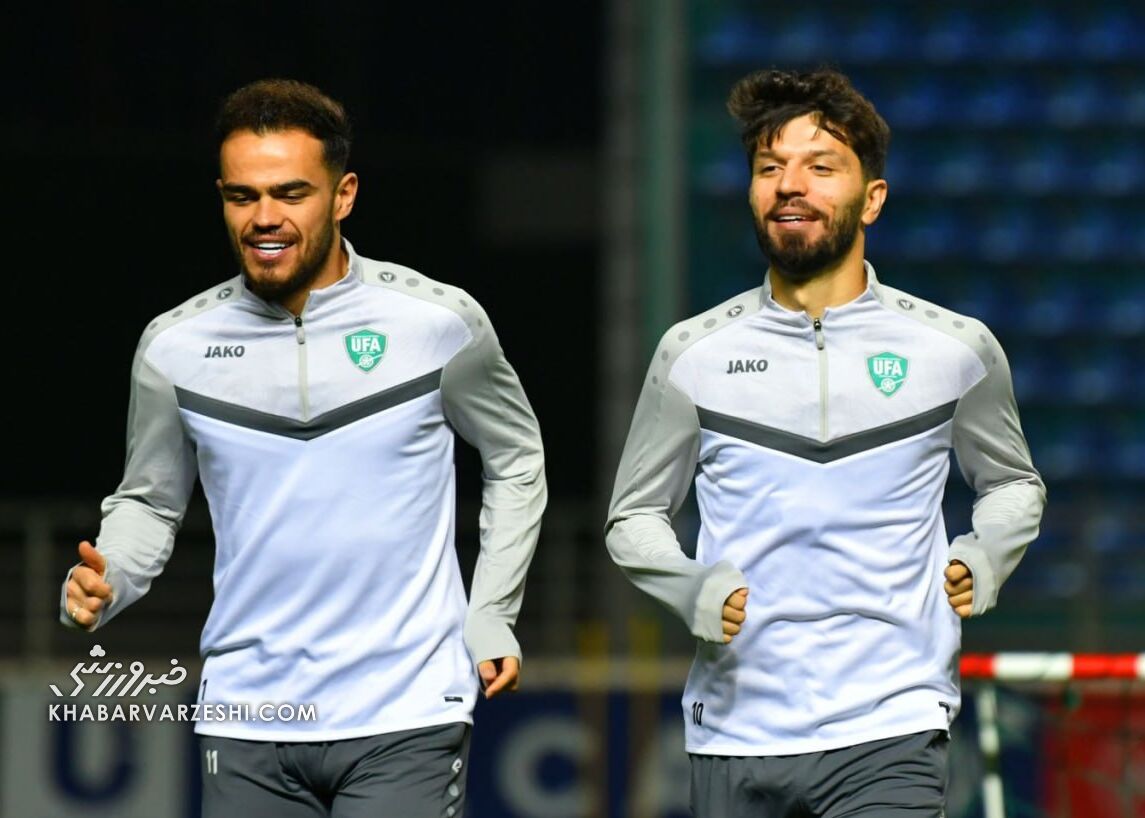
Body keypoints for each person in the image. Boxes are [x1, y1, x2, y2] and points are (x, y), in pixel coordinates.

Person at [60, 78, 546, 818]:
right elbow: (150, 502)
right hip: (247, 715)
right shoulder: (174, 347)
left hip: (407, 708)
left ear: (343, 195)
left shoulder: (437, 323)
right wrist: (111, 576)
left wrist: (491, 611)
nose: (265, 218)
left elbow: (516, 460)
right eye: (243, 196)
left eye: (291, 193)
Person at [605, 68, 1045, 817]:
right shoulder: (691, 355)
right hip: (735, 732)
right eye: (769, 168)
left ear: (872, 198)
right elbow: (633, 517)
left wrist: (986, 553)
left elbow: (1011, 484)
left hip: (892, 725)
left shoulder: (955, 350)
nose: (789, 185)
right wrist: (689, 587)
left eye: (820, 166)